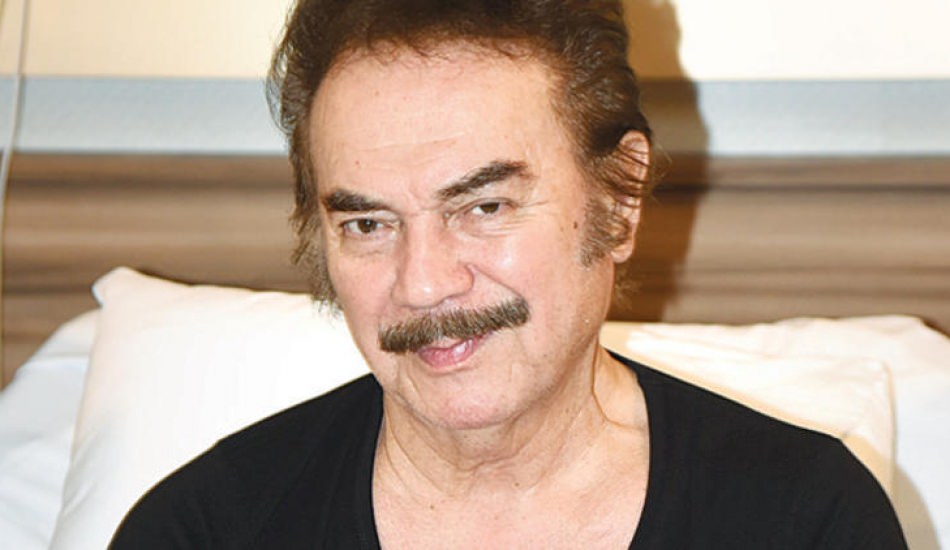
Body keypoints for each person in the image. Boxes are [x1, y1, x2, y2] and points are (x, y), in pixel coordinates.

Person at [110, 1, 907, 548]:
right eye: (368, 224)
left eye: (484, 207)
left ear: (620, 199)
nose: (423, 284)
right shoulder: (202, 531)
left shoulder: (804, 520)